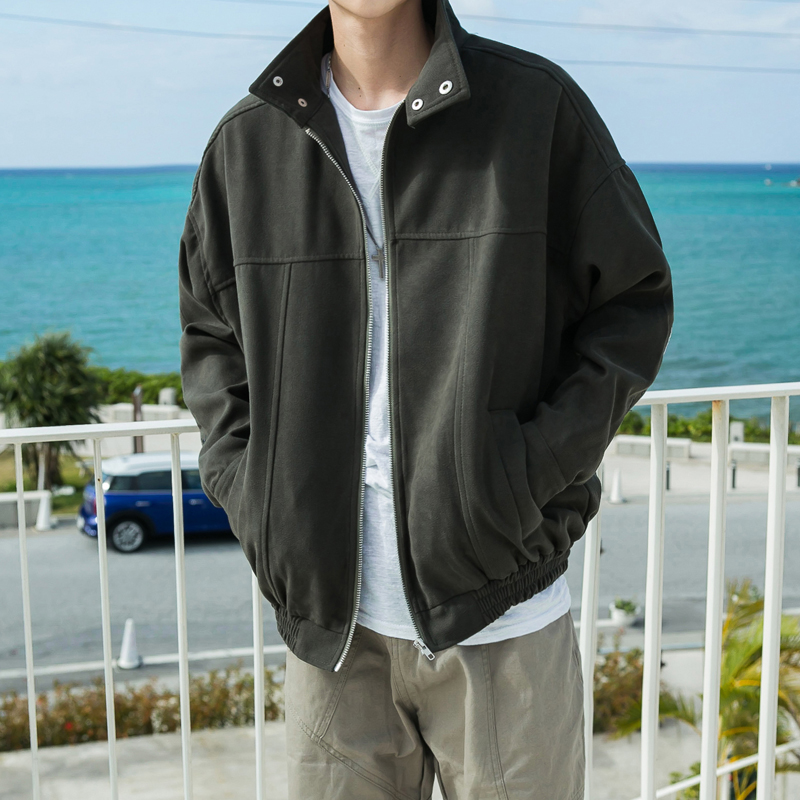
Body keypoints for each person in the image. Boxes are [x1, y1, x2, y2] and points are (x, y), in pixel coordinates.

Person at [178, 0, 674, 796]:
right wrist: (256, 499)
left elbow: (631, 304)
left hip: (502, 620)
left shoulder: (534, 110)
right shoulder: (249, 143)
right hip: (330, 638)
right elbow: (212, 341)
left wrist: (521, 477)